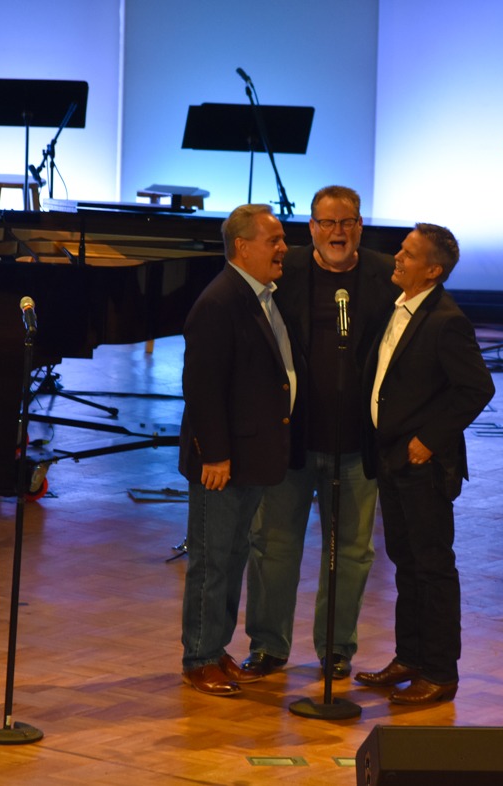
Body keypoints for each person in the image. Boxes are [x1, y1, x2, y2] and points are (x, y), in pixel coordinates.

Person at [242, 186, 399, 680]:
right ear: (310, 228)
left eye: (347, 222)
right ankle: (268, 646)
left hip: (357, 444)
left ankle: (336, 648)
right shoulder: (283, 272)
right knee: (273, 545)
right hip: (291, 440)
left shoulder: (385, 275)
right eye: (327, 223)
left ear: (360, 226)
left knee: (351, 552)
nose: (337, 232)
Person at [354, 222, 495, 705]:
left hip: (423, 466)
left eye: (409, 254)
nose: (397, 257)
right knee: (406, 563)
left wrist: (430, 439)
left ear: (432, 271)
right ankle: (410, 657)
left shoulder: (446, 321)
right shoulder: (399, 307)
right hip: (391, 457)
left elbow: (477, 388)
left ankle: (439, 672)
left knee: (432, 568)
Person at [178, 203, 300, 697]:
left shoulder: (257, 294)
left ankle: (215, 649)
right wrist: (215, 455)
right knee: (212, 562)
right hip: (221, 462)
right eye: (275, 240)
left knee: (232, 557)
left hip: (248, 457)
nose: (284, 248)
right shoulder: (220, 301)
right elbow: (202, 387)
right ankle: (198, 658)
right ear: (243, 247)